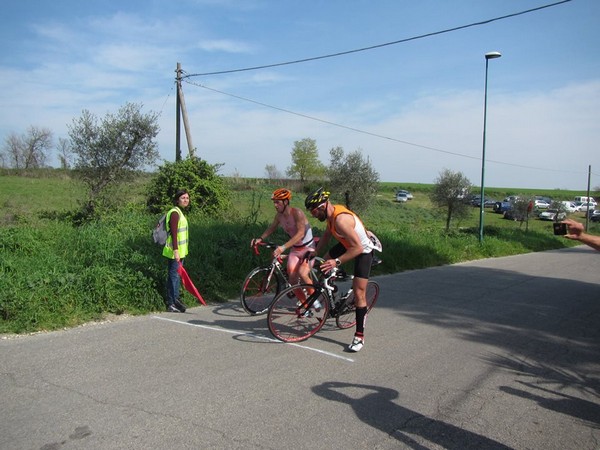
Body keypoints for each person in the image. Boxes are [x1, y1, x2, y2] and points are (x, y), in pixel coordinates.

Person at [305, 187, 375, 352]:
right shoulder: (331, 216)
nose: (313, 216)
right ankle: (332, 292)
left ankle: (359, 336)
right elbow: (327, 236)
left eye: (314, 212)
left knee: (359, 293)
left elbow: (357, 248)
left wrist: (336, 262)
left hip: (363, 250)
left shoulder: (341, 221)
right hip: (347, 244)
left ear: (322, 206)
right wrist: (316, 252)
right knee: (325, 264)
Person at [251, 188, 316, 287]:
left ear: (285, 202)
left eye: (277, 202)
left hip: (308, 248)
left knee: (303, 275)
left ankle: (315, 302)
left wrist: (283, 248)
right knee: (292, 280)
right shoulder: (279, 216)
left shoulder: (296, 213)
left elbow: (300, 234)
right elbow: (271, 228)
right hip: (296, 249)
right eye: (274, 202)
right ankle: (305, 303)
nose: (275, 205)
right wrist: (260, 238)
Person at [163, 189, 190, 312]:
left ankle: (176, 300)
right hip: (174, 251)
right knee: (173, 276)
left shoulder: (179, 212)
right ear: (177, 200)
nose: (185, 200)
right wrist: (175, 251)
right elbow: (174, 233)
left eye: (187, 198)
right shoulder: (174, 213)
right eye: (183, 198)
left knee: (176, 276)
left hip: (180, 251)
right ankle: (171, 303)